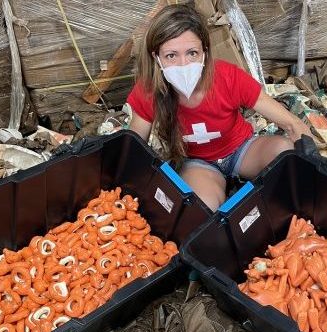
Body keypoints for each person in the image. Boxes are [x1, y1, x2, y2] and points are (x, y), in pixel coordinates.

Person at [127, 4, 312, 211]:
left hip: (242, 151)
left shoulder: (228, 78)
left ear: (205, 53)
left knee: (285, 152)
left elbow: (292, 124)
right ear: (156, 58)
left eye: (192, 53)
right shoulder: (148, 91)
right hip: (198, 163)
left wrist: (314, 166)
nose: (183, 64)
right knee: (200, 207)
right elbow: (133, 149)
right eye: (171, 55)